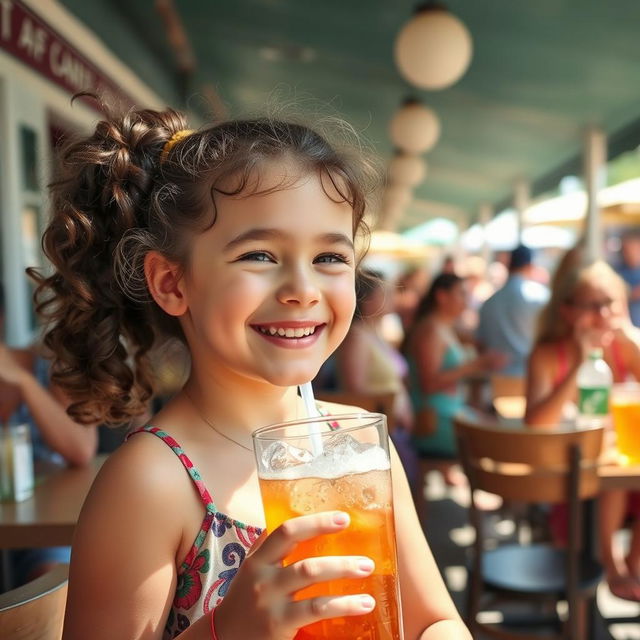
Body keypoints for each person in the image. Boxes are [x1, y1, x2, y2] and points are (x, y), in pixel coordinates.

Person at [32, 104, 471, 639]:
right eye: (260, 255)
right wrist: (228, 630)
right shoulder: (150, 483)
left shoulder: (356, 448)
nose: (303, 289)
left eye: (330, 258)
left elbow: (437, 621)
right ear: (172, 283)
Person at [525, 254, 640, 601]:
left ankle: (632, 564)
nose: (603, 315)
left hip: (614, 466)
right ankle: (611, 564)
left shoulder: (625, 347)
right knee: (613, 480)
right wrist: (580, 361)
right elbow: (537, 423)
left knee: (620, 473)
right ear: (568, 311)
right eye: (592, 305)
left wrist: (632, 338)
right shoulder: (548, 354)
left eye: (610, 304)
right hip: (566, 479)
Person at [0, 285, 97, 586]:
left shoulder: (49, 366)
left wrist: (26, 384)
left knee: (52, 581)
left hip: (45, 528)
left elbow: (82, 448)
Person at [403, 273, 506, 463]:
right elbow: (429, 384)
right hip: (437, 420)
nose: (466, 302)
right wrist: (476, 365)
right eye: (462, 294)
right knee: (503, 437)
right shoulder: (430, 330)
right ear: (442, 296)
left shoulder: (442, 326)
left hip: (451, 412)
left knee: (502, 426)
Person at [476, 244, 550, 377]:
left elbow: (481, 343)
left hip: (498, 377)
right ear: (530, 266)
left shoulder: (490, 302)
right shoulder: (541, 296)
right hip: (533, 374)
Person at [616, 229, 640, 327]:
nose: (629, 253)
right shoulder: (617, 273)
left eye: (633, 248)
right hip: (627, 327)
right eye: (625, 250)